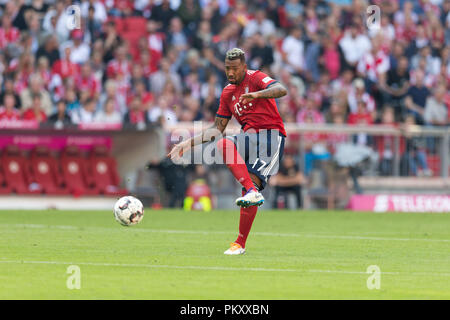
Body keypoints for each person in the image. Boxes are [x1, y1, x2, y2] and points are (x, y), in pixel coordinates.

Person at [168, 48, 287, 255]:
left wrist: (257, 94)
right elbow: (217, 129)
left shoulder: (256, 77)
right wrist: (187, 143)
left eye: (234, 68)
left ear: (244, 66)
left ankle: (240, 241)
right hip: (249, 137)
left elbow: (281, 89)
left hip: (271, 137)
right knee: (224, 144)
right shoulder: (227, 93)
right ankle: (250, 198)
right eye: (227, 68)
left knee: (250, 189)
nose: (230, 73)